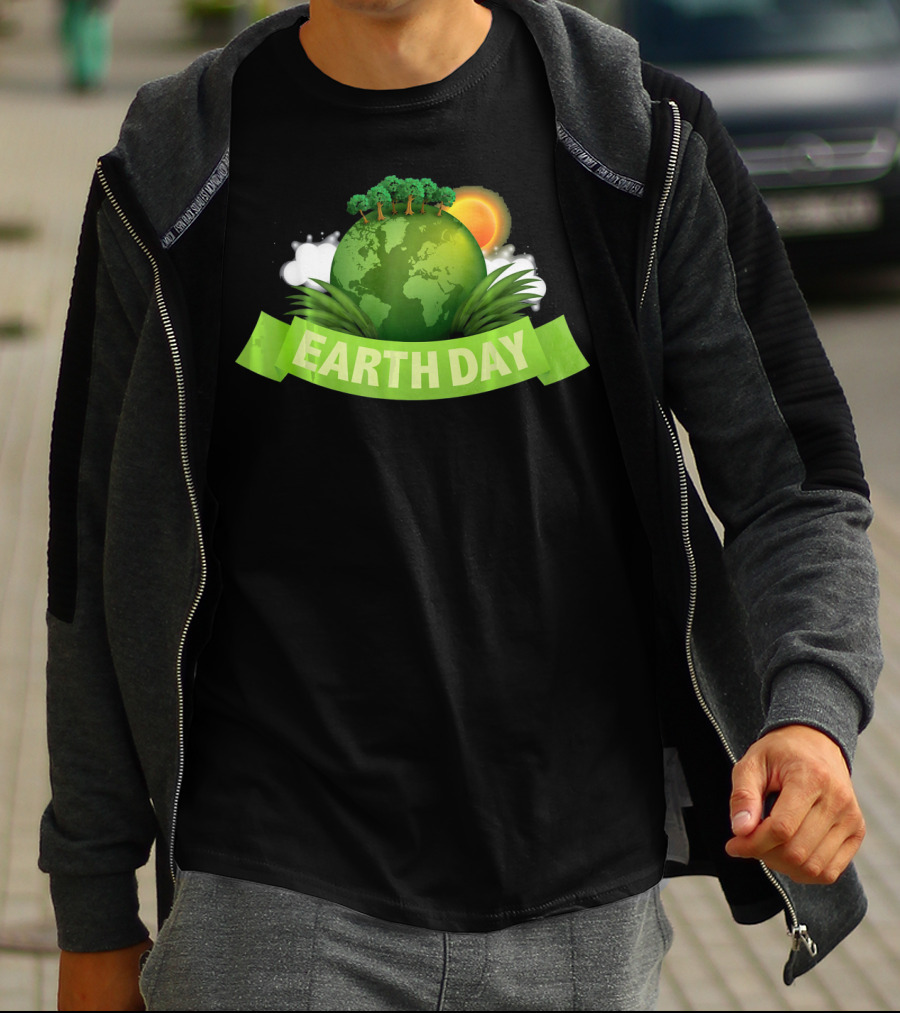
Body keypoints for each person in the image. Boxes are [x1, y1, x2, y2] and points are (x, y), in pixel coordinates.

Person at [41, 0, 881, 1009]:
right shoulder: (176, 166)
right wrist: (93, 908)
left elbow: (797, 480)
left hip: (582, 895)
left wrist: (813, 715)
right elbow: (90, 555)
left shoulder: (634, 138)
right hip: (271, 891)